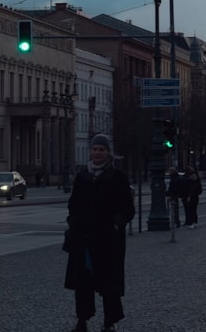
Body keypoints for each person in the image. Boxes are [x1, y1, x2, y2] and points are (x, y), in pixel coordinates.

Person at [64, 134, 136, 332]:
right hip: (84, 237)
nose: (97, 153)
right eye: (95, 149)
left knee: (109, 283)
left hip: (108, 239)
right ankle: (82, 320)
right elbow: (73, 205)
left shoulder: (118, 177)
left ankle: (109, 322)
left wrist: (116, 224)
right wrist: (74, 222)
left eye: (101, 150)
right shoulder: (82, 176)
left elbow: (128, 209)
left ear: (108, 153)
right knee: (82, 282)